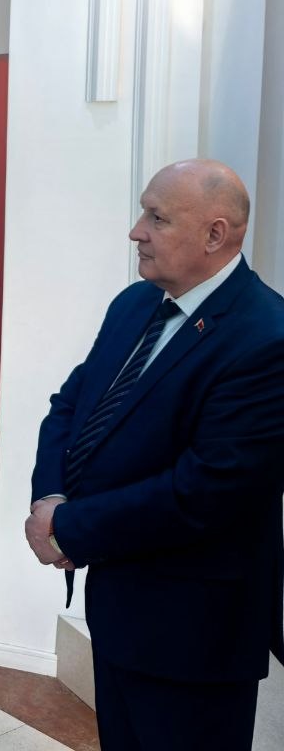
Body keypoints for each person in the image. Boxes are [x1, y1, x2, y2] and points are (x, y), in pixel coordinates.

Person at [26, 159, 284, 751]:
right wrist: (50, 498)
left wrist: (69, 528)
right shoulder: (135, 305)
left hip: (194, 635)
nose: (135, 230)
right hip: (119, 609)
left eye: (157, 217)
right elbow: (70, 406)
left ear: (215, 235)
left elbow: (205, 492)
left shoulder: (266, 339)